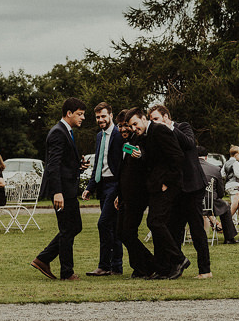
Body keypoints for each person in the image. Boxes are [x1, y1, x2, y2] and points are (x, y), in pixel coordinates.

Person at [148, 105, 211, 279]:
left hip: (192, 186)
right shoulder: (157, 135)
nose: (154, 123)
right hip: (175, 189)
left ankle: (205, 270)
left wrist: (170, 128)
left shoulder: (182, 127)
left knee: (197, 228)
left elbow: (190, 144)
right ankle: (174, 266)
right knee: (174, 229)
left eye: (156, 119)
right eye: (151, 120)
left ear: (166, 117)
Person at [127, 107, 191, 279]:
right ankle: (164, 267)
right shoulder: (144, 136)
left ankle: (179, 259)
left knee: (155, 222)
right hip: (156, 186)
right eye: (131, 126)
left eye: (135, 124)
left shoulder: (159, 129)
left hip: (168, 186)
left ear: (143, 119)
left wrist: (167, 182)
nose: (134, 129)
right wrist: (141, 156)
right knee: (155, 223)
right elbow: (155, 160)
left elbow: (177, 157)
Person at [31, 97, 90, 281]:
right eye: (80, 114)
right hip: (62, 191)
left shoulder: (67, 131)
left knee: (74, 227)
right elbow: (52, 165)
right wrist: (57, 192)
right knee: (68, 229)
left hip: (68, 188)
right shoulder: (58, 132)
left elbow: (63, 162)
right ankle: (66, 272)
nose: (83, 118)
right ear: (69, 113)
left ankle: (44, 258)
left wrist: (78, 166)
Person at [81, 102, 124, 276]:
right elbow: (98, 162)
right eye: (98, 117)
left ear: (111, 116)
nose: (101, 120)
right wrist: (90, 187)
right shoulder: (99, 136)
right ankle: (115, 267)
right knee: (112, 227)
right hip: (102, 185)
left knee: (103, 223)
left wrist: (121, 190)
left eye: (104, 116)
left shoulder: (119, 134)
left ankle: (105, 265)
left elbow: (123, 163)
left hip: (115, 184)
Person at [113, 109, 156, 278]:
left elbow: (147, 160)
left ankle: (148, 266)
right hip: (125, 195)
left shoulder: (139, 140)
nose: (123, 129)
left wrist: (141, 156)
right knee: (121, 232)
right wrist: (119, 194)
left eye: (126, 126)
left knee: (128, 233)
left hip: (138, 195)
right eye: (120, 126)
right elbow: (124, 172)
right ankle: (141, 266)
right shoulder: (124, 143)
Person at [196, 146, 239, 244]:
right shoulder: (215, 169)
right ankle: (229, 238)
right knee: (225, 206)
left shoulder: (188, 169)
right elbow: (220, 192)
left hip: (192, 204)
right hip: (210, 204)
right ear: (206, 157)